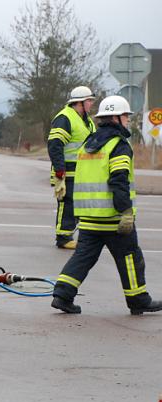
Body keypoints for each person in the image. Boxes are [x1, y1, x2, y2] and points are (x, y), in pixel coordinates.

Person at [52, 95, 161, 315]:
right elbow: (118, 179)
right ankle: (138, 300)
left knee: (83, 258)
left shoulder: (88, 144)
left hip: (89, 217)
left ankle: (62, 295)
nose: (128, 121)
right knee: (131, 258)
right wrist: (126, 211)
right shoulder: (118, 145)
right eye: (125, 116)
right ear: (116, 118)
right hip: (113, 217)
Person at [47, 86, 96, 249]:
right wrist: (60, 170)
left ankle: (70, 234)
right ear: (79, 103)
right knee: (67, 203)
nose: (91, 104)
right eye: (89, 101)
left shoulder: (86, 120)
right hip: (67, 171)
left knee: (77, 204)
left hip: (82, 172)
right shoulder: (65, 118)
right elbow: (55, 145)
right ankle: (63, 237)